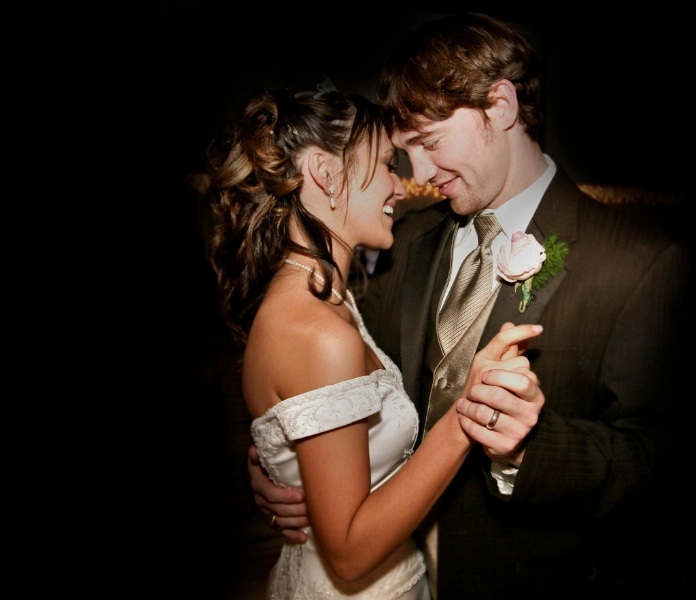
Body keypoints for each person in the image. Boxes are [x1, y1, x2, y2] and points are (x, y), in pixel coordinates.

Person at [248, 12, 691, 597]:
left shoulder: (639, 263)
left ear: (500, 107)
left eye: (430, 144)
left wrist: (527, 446)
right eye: (406, 154)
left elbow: (663, 467)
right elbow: (335, 382)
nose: (422, 177)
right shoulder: (406, 239)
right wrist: (281, 461)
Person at [207, 85, 546, 599]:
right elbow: (347, 555)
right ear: (325, 174)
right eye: (388, 162)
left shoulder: (331, 300)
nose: (401, 183)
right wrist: (466, 413)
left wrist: (279, 461)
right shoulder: (317, 330)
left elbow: (311, 427)